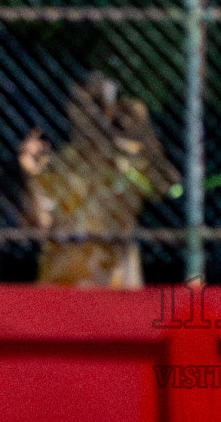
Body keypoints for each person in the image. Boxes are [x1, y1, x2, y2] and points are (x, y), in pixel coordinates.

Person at [18, 72, 178, 288]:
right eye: (82, 106)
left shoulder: (128, 160)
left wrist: (145, 134)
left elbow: (169, 189)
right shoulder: (62, 163)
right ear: (72, 110)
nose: (89, 115)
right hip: (64, 281)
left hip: (113, 282)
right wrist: (32, 177)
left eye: (96, 105)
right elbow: (40, 224)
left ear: (110, 111)